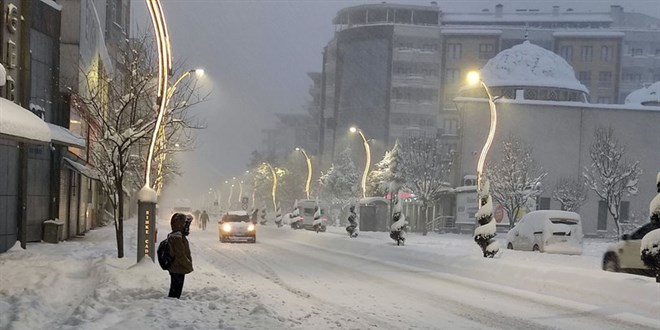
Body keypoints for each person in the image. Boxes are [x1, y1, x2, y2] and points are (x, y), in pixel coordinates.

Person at [167, 213, 193, 299]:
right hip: (178, 268)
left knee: (175, 291)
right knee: (175, 294)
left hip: (177, 268)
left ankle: (171, 307)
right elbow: (180, 255)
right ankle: (171, 308)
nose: (187, 227)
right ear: (179, 225)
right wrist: (188, 264)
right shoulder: (177, 237)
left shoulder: (176, 235)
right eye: (185, 224)